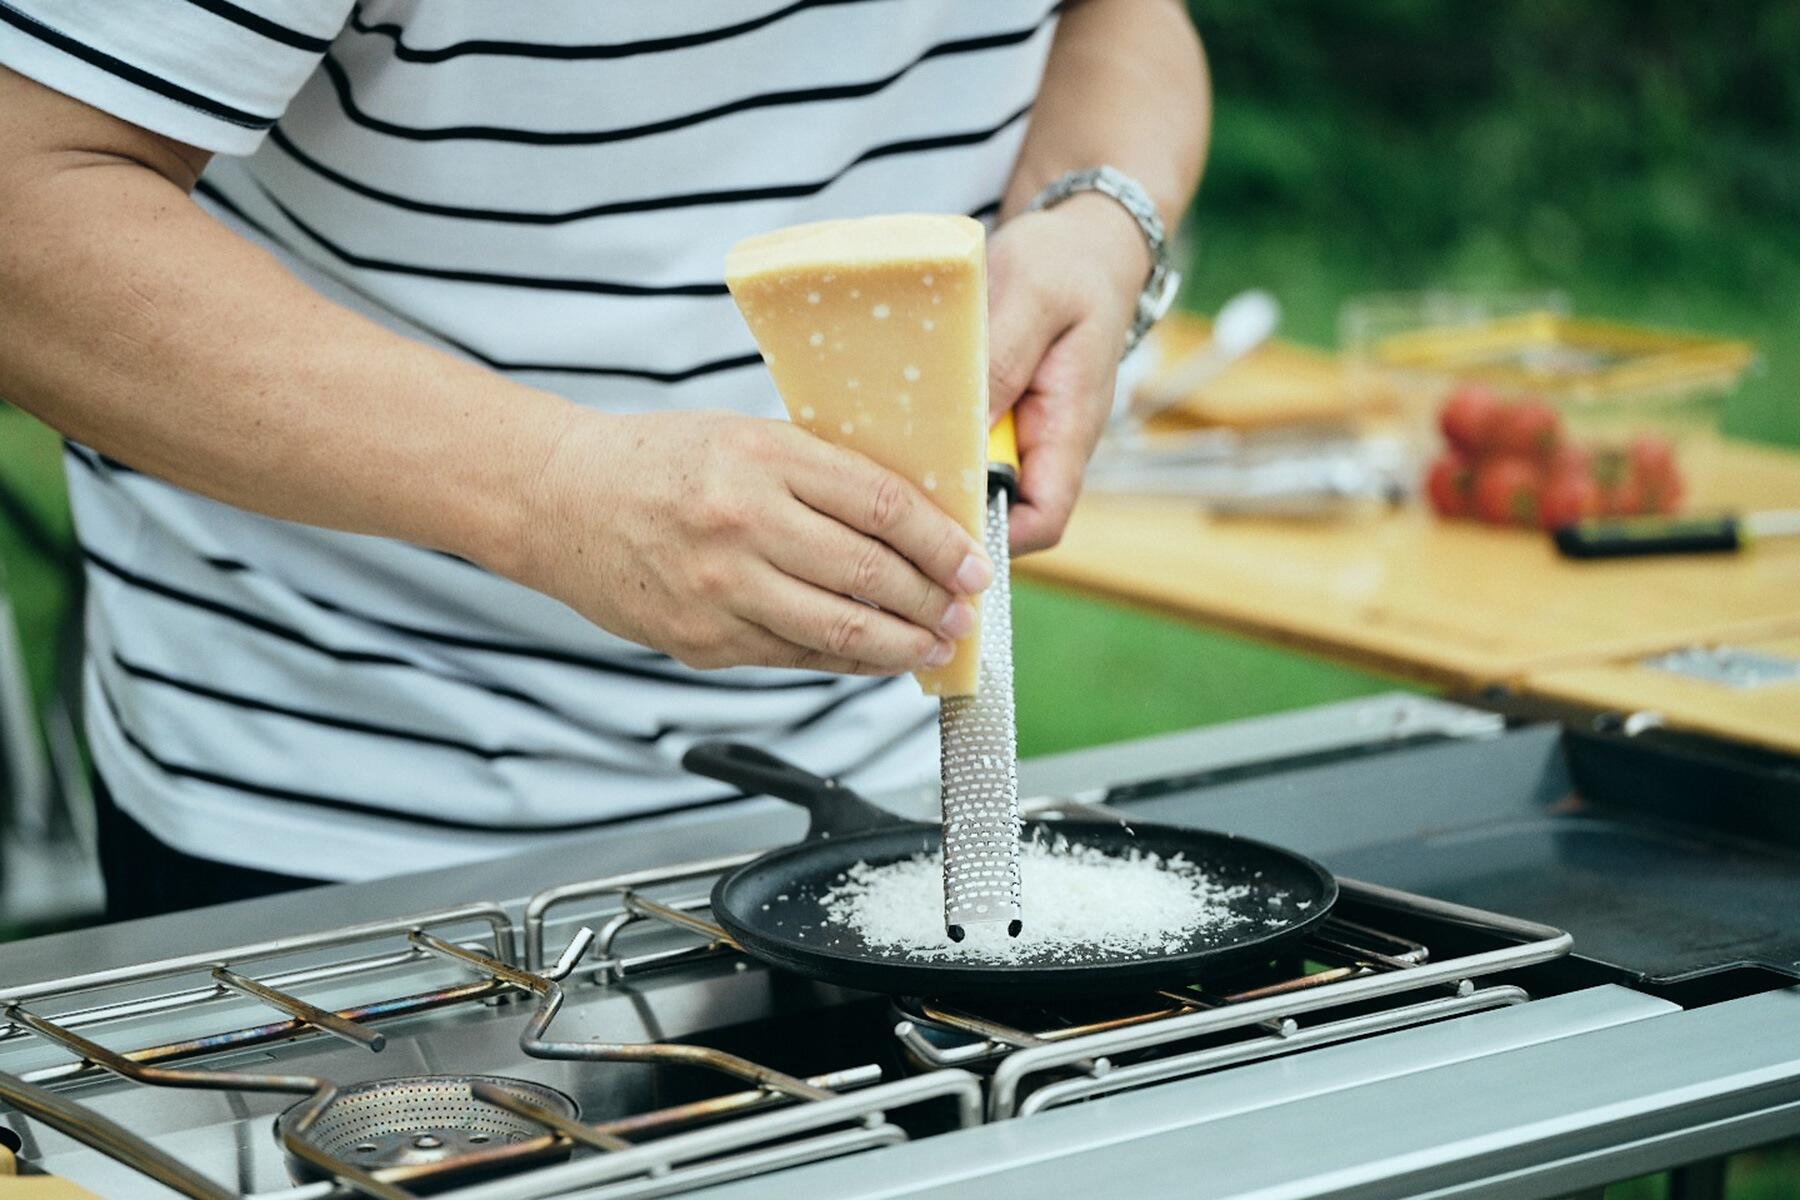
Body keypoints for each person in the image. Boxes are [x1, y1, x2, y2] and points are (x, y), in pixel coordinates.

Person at [0, 1, 1209, 918]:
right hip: (351, 829)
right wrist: (552, 488)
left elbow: (1127, 18)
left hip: (882, 790)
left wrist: (1101, 219)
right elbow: (25, 200)